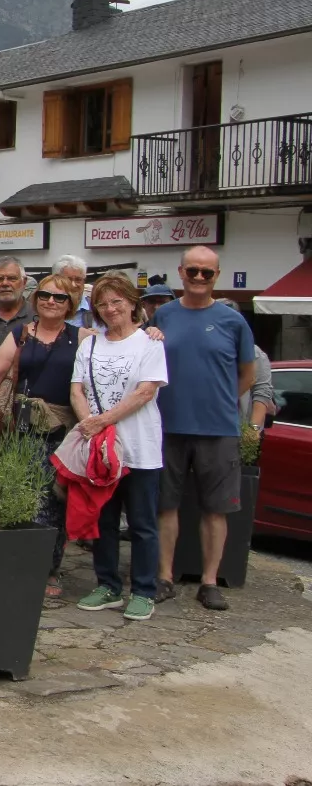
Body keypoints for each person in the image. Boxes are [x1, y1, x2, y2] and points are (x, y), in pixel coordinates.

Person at [152, 246, 255, 612]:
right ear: (180, 272)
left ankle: (209, 582)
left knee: (216, 509)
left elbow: (248, 373)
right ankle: (164, 576)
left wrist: (225, 401)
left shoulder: (232, 321)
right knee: (165, 506)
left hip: (218, 429)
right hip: (166, 428)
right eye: (192, 271)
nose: (198, 278)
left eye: (206, 273)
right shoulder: (163, 315)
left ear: (216, 275)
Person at [0, 273, 86, 596]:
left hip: (60, 431)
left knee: (54, 501)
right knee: (17, 495)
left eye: (60, 297)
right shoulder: (22, 333)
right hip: (21, 429)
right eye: (46, 295)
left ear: (70, 303)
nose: (52, 301)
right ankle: (19, 563)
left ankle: (50, 569)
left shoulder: (82, 337)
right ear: (36, 300)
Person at [72, 273, 168, 621]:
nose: (110, 308)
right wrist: (90, 427)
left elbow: (146, 392)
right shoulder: (91, 345)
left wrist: (101, 422)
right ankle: (108, 585)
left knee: (142, 523)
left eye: (117, 301)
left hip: (139, 448)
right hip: (101, 451)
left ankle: (144, 590)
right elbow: (77, 390)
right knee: (104, 520)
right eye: (102, 303)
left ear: (131, 302)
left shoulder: (150, 344)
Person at [54, 254, 91, 327]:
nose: (73, 285)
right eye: (68, 279)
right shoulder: (45, 307)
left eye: (78, 280)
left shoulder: (95, 308)